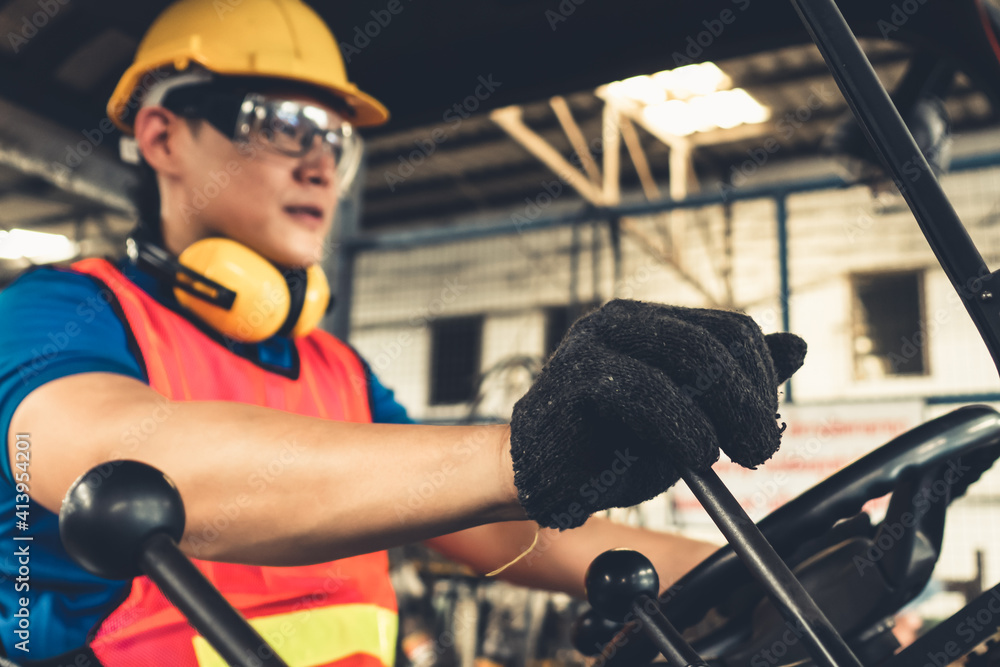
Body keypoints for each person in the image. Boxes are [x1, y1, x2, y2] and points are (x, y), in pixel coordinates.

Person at [0, 0, 806, 664]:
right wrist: (515, 449)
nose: (321, 164)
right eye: (284, 122)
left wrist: (757, 571)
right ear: (163, 137)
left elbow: (486, 520)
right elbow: (116, 464)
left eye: (336, 139)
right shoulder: (61, 312)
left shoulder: (333, 367)